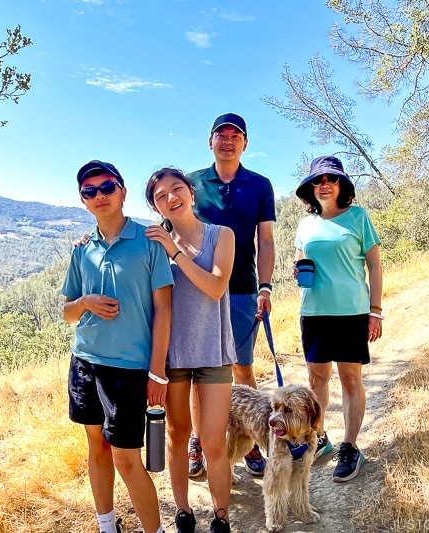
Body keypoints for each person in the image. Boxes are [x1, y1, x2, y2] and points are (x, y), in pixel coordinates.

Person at [61, 160, 173, 533]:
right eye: (89, 191)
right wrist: (85, 303)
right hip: (84, 363)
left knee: (128, 459)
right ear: (83, 201)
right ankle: (107, 526)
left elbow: (164, 309)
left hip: (128, 368)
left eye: (106, 187)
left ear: (123, 191)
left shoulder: (149, 241)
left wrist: (157, 372)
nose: (99, 195)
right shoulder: (82, 250)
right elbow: (66, 312)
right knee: (97, 449)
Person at [144, 168, 235, 533]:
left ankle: (221, 516)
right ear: (156, 206)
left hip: (213, 350)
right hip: (173, 356)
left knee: (213, 440)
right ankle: (182, 511)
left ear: (192, 194)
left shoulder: (221, 235)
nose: (171, 198)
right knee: (178, 436)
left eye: (177, 189)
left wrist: (175, 252)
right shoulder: (153, 244)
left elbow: (214, 287)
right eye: (161, 195)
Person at [187, 113, 276, 477]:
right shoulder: (191, 183)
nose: (227, 140)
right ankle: (198, 440)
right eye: (220, 134)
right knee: (197, 371)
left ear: (245, 143)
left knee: (241, 367)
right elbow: (167, 227)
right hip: (195, 291)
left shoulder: (259, 184)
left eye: (235, 135)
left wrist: (265, 286)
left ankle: (251, 438)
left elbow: (266, 240)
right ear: (210, 141)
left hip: (241, 291)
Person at [292, 155, 383, 483]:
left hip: (351, 312)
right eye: (318, 180)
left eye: (331, 178)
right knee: (316, 380)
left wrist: (375, 310)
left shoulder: (358, 217)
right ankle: (319, 439)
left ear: (342, 184)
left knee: (350, 379)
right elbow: (300, 260)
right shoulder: (306, 225)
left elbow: (374, 265)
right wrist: (296, 269)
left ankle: (350, 446)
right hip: (314, 312)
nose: (325, 184)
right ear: (311, 188)